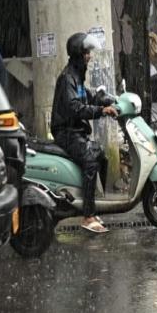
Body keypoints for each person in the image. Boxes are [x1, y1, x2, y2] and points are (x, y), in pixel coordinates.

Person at [50, 32, 118, 234]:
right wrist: (100, 111)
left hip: (75, 130)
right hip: (66, 132)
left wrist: (107, 100)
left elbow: (86, 96)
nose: (89, 56)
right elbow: (74, 108)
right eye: (87, 52)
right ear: (78, 54)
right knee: (90, 160)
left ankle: (93, 204)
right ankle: (87, 216)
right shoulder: (67, 78)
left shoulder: (77, 76)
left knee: (102, 156)